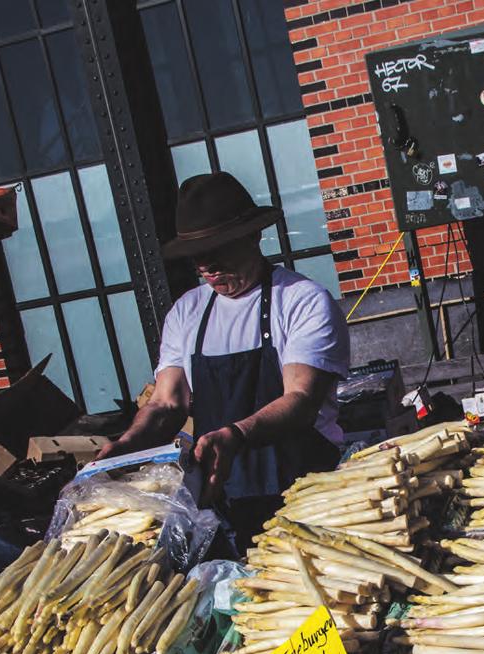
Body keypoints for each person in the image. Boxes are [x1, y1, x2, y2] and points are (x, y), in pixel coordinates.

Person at [99, 171, 349, 551]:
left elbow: (300, 399)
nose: (207, 266)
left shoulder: (301, 301)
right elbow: (167, 403)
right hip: (225, 502)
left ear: (253, 236)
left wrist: (237, 434)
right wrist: (127, 444)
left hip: (309, 495)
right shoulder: (187, 313)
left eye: (219, 250)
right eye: (197, 257)